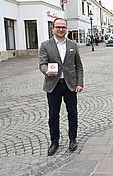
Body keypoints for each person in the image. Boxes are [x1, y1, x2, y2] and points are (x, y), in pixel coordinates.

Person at [39, 18, 84, 156]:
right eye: (58, 27)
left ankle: (72, 139)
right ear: (53, 28)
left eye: (63, 27)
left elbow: (79, 67)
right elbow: (42, 63)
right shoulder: (45, 45)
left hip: (70, 85)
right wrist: (46, 70)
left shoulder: (73, 44)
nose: (61, 29)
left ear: (66, 29)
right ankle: (54, 141)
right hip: (53, 84)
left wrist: (80, 83)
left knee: (73, 113)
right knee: (53, 115)